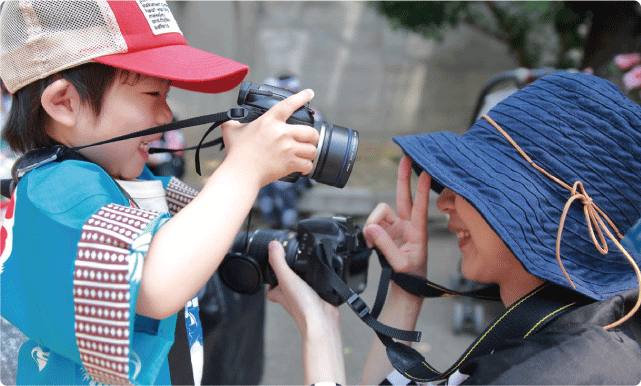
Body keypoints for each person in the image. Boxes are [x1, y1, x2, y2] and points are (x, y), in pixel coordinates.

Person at [0, 1, 319, 385]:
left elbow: (199, 228)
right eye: (153, 94)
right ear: (64, 103)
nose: (167, 114)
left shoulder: (120, 181)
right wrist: (244, 170)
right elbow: (155, 285)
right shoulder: (57, 189)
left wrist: (248, 160)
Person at [267, 71, 641, 385]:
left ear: (535, 215)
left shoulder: (547, 373)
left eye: (477, 187)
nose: (444, 201)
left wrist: (321, 332)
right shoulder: (581, 335)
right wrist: (406, 287)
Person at [256, 74, 317, 230]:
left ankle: (289, 226)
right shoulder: (270, 116)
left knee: (281, 182)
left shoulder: (310, 114)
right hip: (279, 168)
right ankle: (273, 225)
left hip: (304, 171)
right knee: (263, 179)